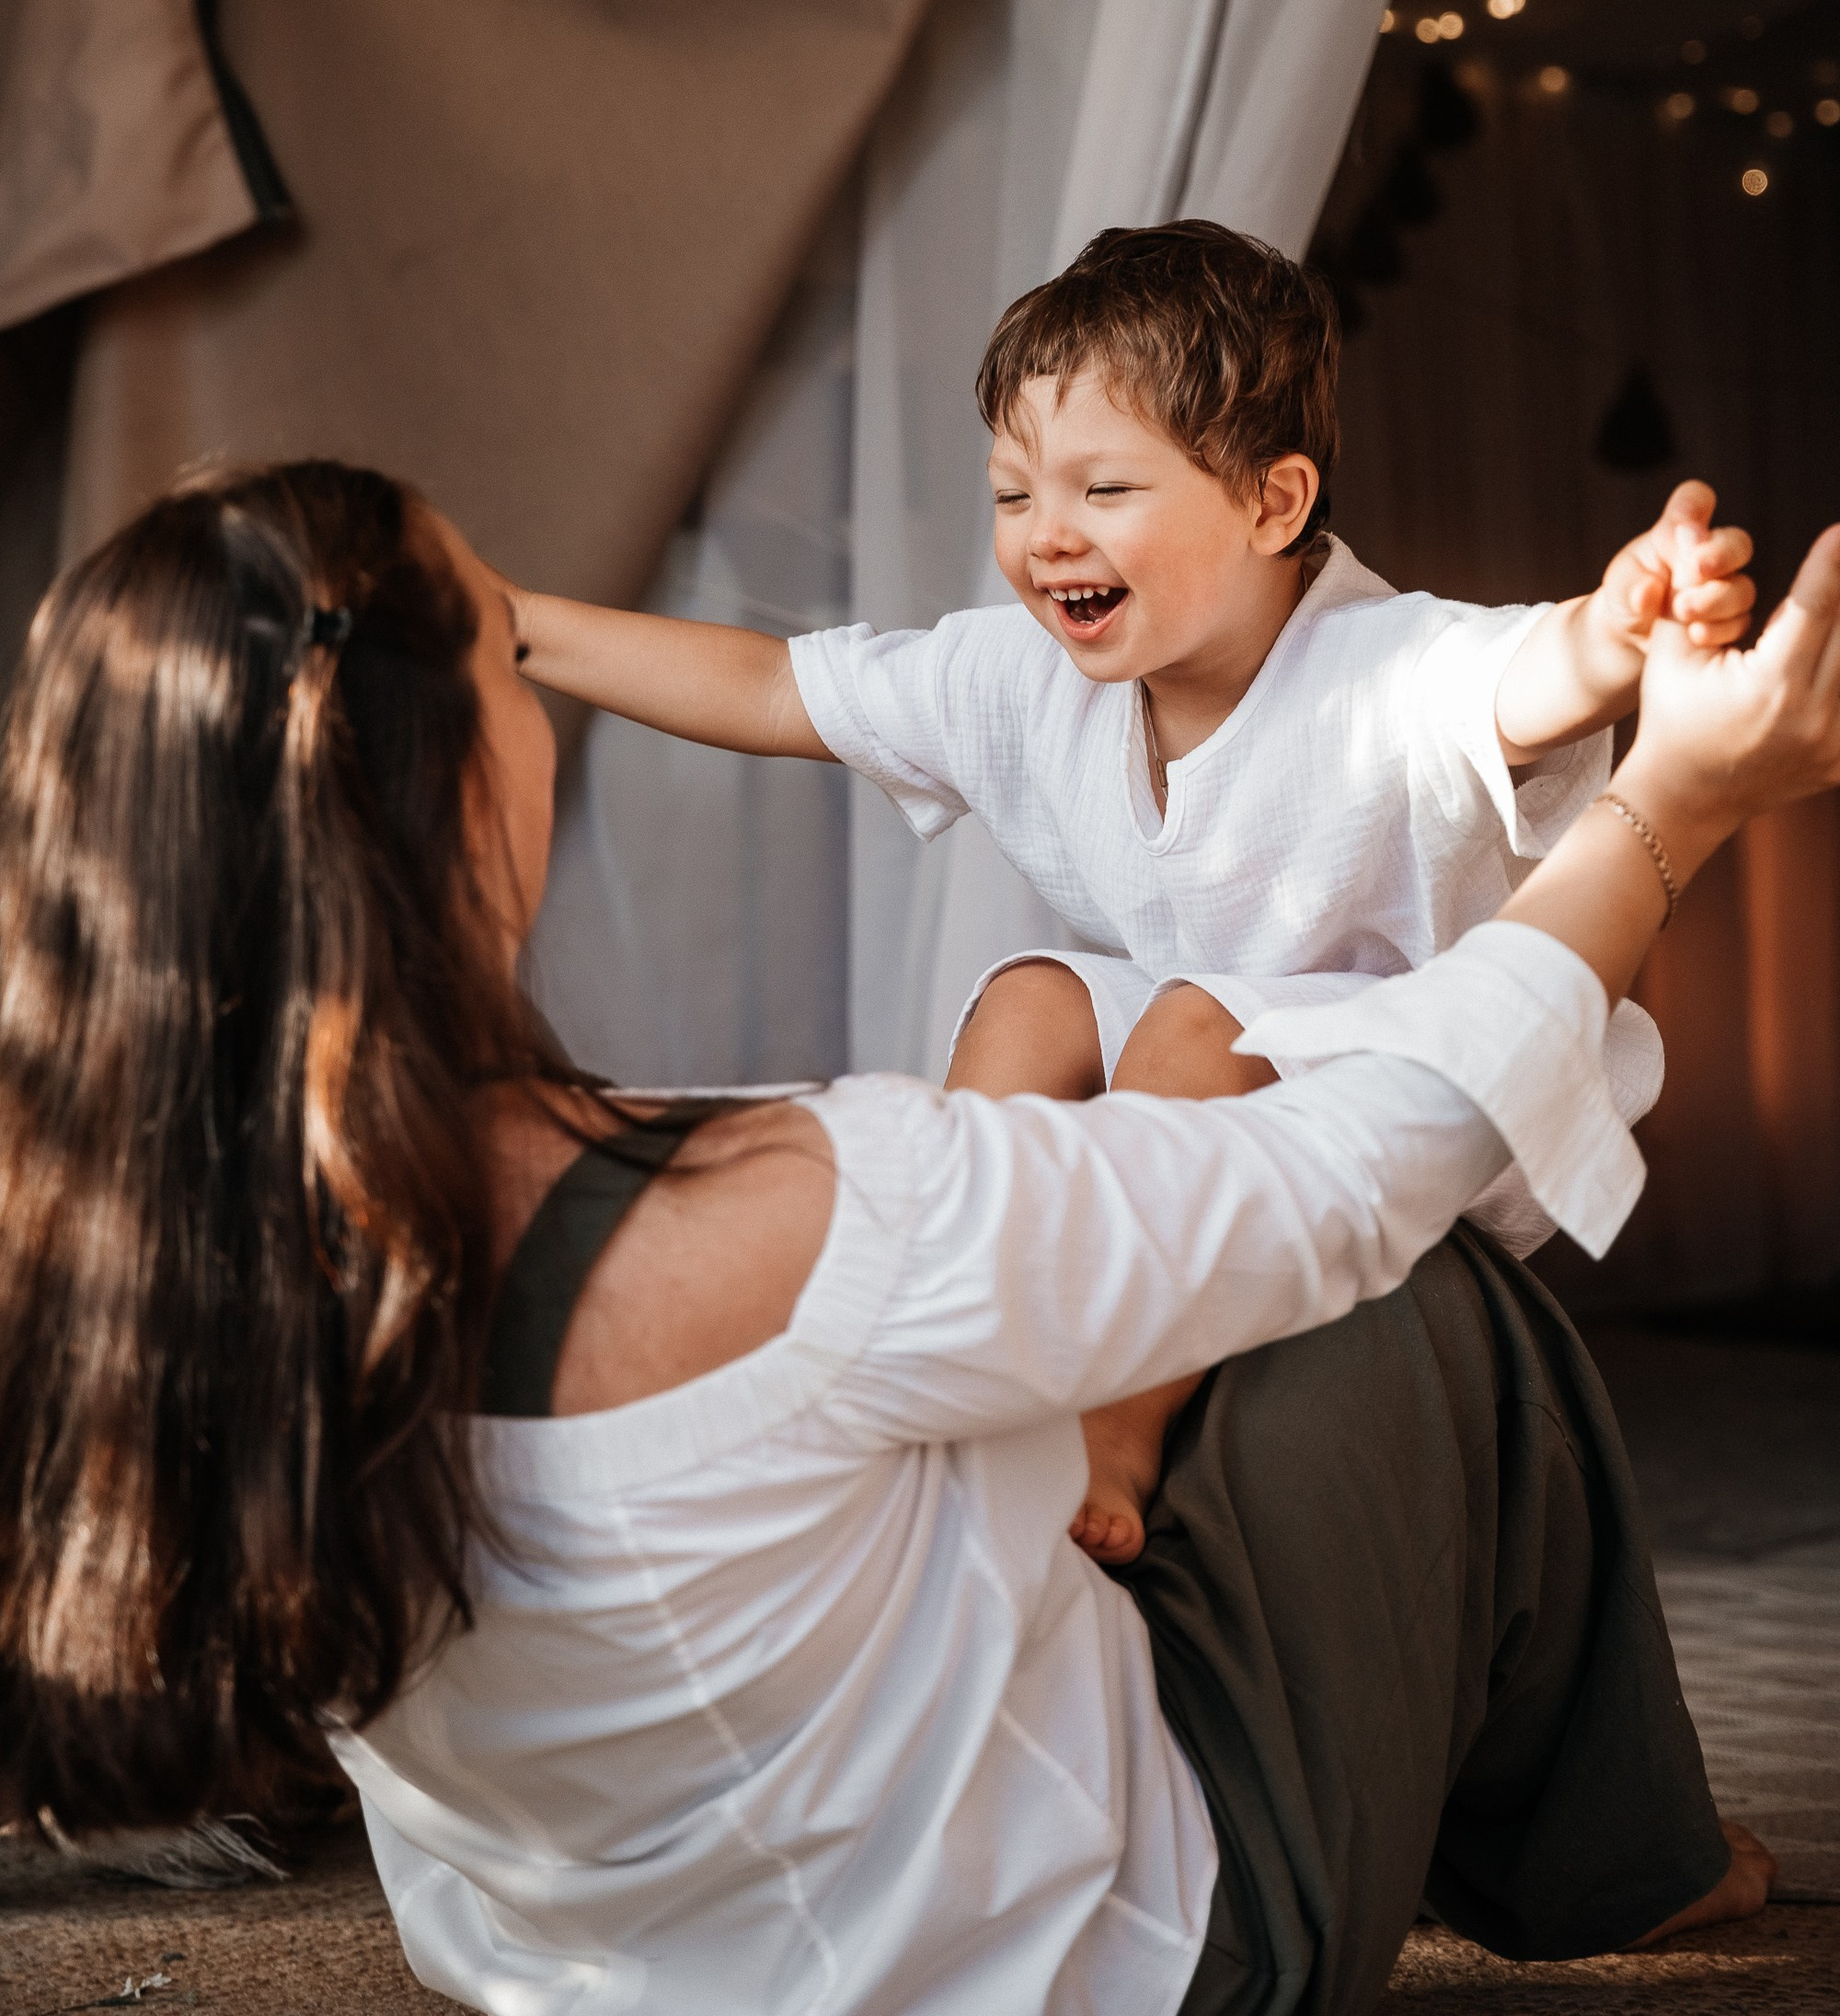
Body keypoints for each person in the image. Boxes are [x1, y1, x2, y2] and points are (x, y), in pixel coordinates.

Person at [0, 455, 1824, 2016]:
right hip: (1095, 1967)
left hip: (588, 1971)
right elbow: (1381, 1155)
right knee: (1417, 1293)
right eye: (512, 662)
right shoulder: (806, 1212)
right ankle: (1625, 1863)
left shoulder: (128, 1258)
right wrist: (1673, 809)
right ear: (447, 782)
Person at [507, 221, 1757, 1553]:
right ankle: (941, 1321)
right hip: (1223, 1047)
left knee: (1188, 1022)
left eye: (1104, 494)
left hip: (1427, 1090)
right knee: (1040, 997)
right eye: (1011, 495)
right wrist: (507, 619)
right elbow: (770, 687)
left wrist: (1622, 626)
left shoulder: (1383, 665)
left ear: (1275, 504)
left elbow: (1526, 673)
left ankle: (1118, 1427)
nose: (1048, 539)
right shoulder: (1018, 678)